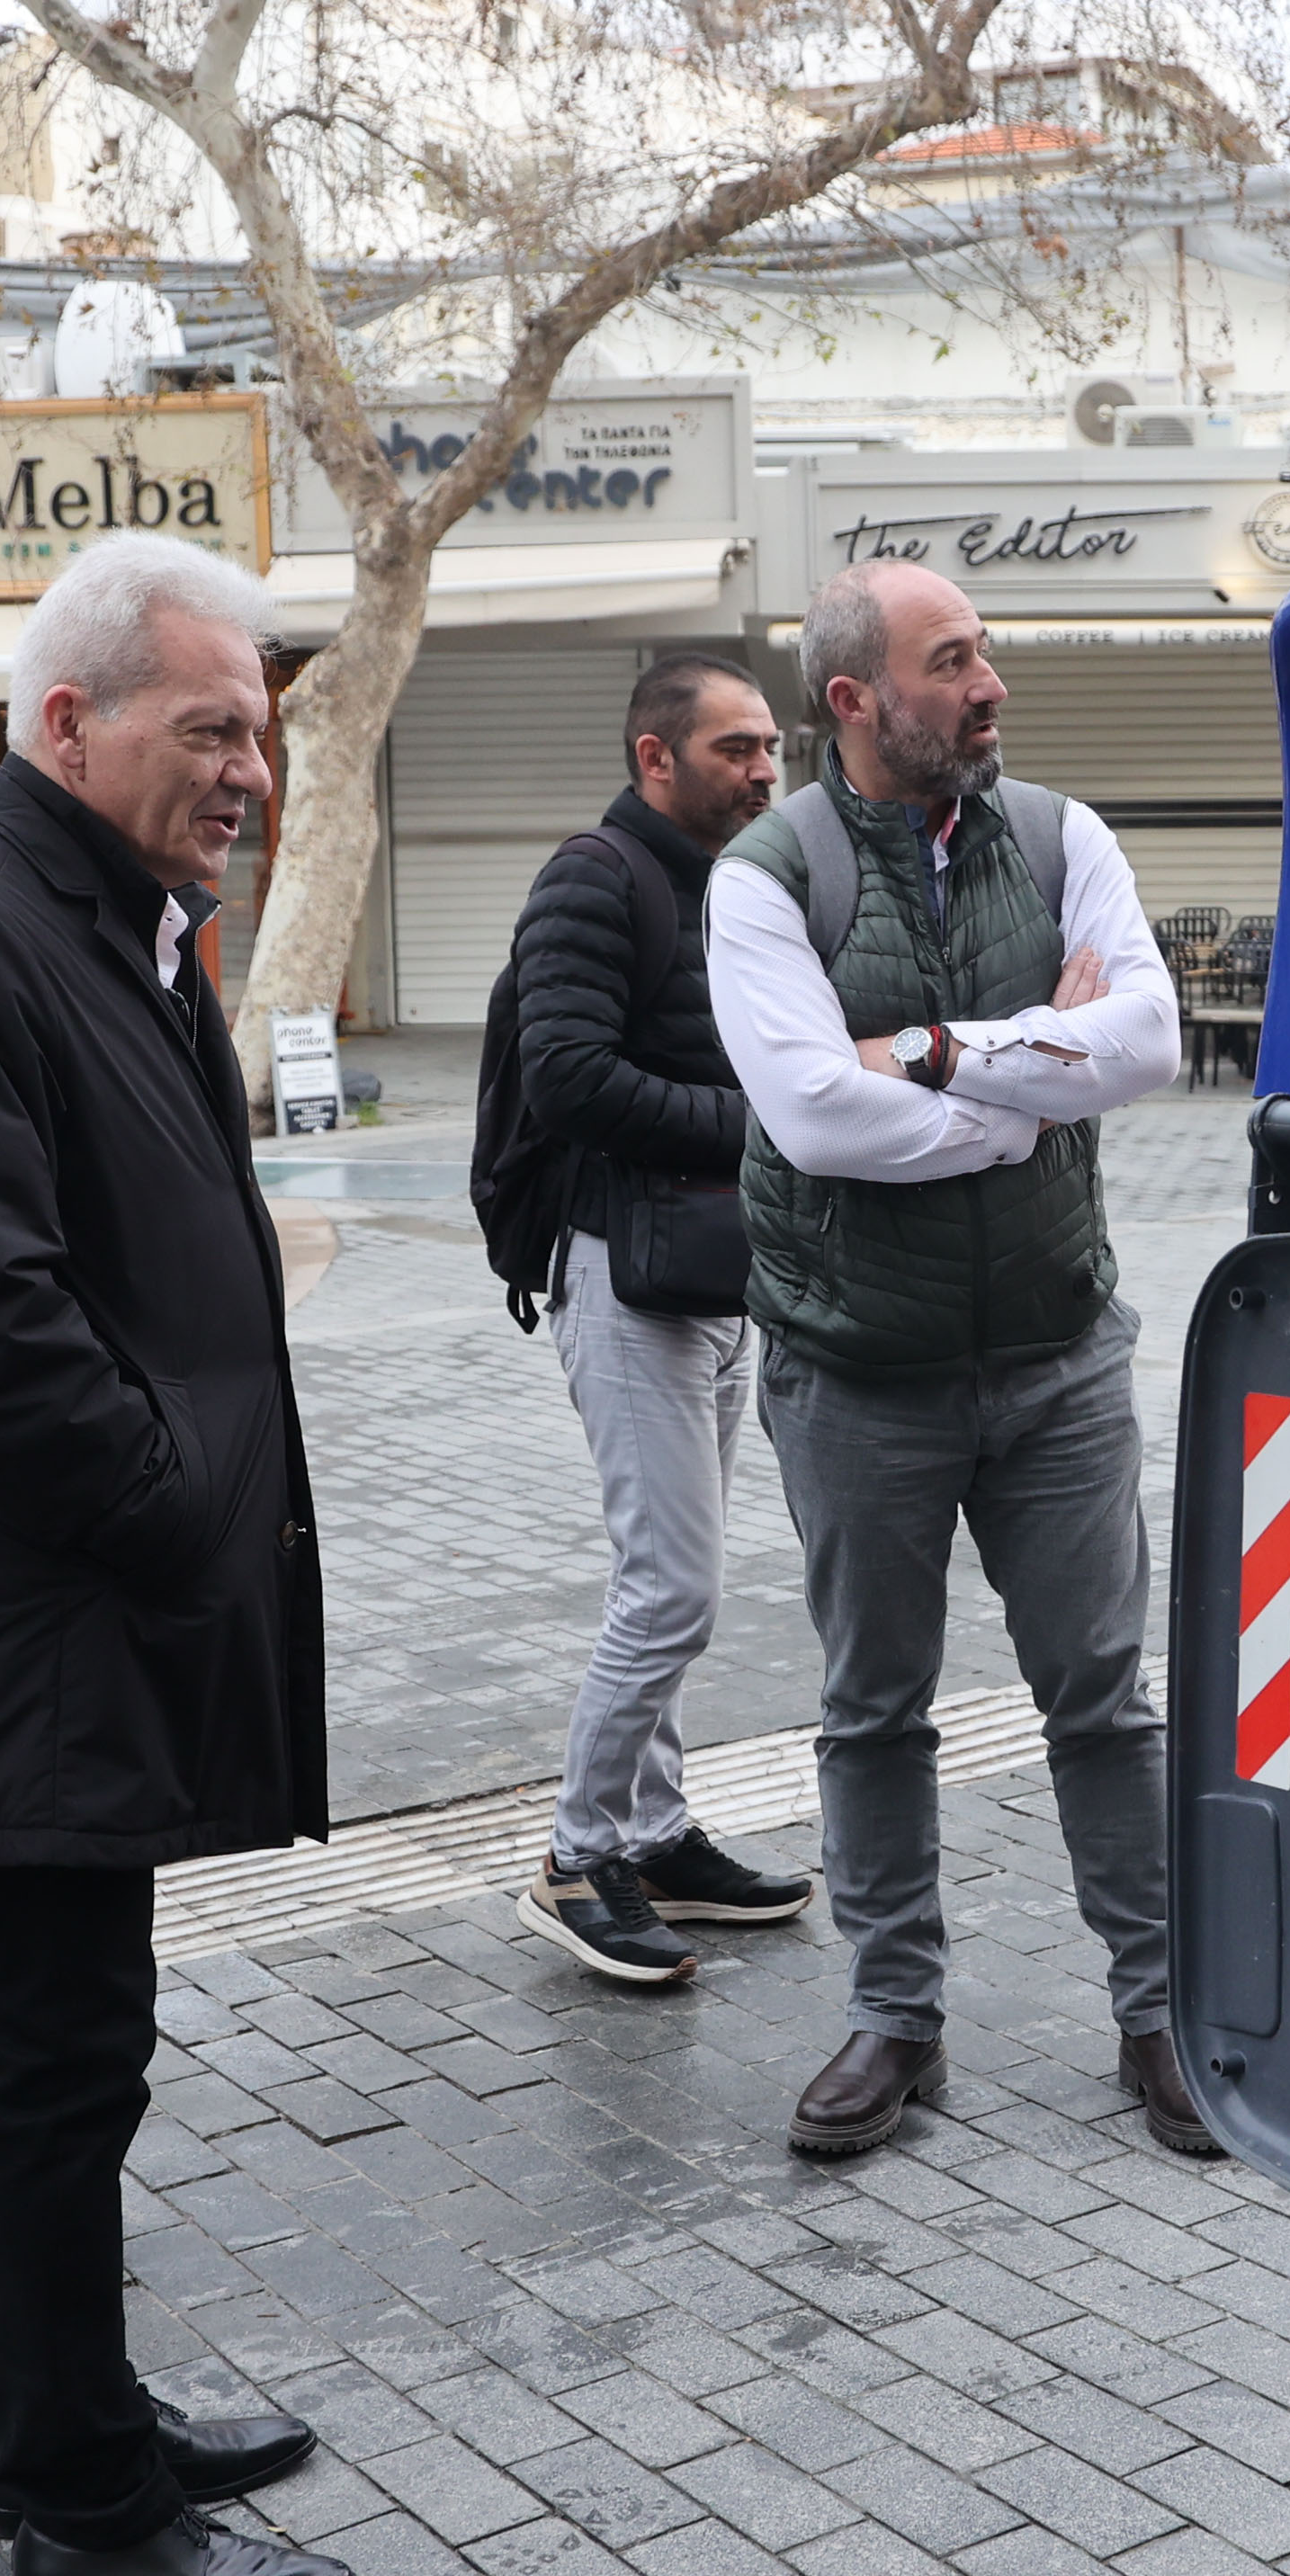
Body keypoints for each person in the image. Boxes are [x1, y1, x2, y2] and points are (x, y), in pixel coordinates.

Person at [0, 534, 351, 2576]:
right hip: (29, 1620)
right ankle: (80, 2510)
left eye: (265, 733)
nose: (252, 772)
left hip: (83, 1611)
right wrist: (165, 1510)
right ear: (67, 723)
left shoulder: (114, 924)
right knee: (53, 2053)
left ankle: (86, 2406)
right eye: (212, 727)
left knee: (81, 2046)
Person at [705, 557, 1208, 2161]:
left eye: (985, 652)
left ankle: (1162, 2015)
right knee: (872, 1714)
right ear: (854, 701)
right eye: (952, 662)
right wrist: (1024, 1096)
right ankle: (895, 2022)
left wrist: (930, 1056)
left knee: (1104, 1705)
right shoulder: (764, 878)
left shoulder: (1062, 837)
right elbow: (808, 1115)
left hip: (1056, 1358)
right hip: (855, 1373)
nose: (990, 685)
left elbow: (1147, 1043)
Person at [508, 656, 820, 1985]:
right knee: (671, 1585)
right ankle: (581, 1853)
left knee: (678, 1580)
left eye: (771, 748)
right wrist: (764, 1128)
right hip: (620, 1271)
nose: (765, 770)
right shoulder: (596, 876)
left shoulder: (731, 882)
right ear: (657, 759)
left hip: (707, 1277)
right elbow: (568, 1076)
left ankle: (655, 1830)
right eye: (738, 748)